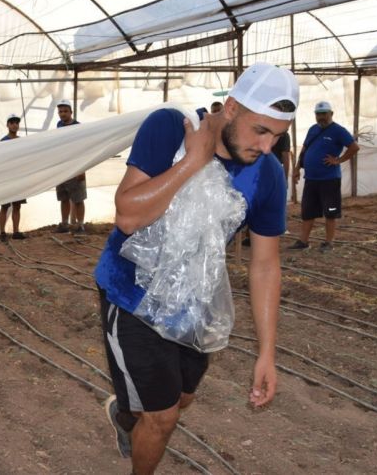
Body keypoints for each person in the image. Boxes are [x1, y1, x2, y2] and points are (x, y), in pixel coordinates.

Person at [95, 62, 297, 474]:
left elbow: (265, 264)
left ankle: (127, 416)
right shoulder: (171, 128)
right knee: (164, 415)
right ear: (234, 107)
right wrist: (193, 161)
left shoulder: (269, 175)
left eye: (278, 136)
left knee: (181, 399)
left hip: (193, 301)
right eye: (261, 130)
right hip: (131, 293)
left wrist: (266, 354)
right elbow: (128, 217)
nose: (266, 145)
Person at [290, 101, 359, 251]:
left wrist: (338, 160)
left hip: (329, 179)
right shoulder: (313, 129)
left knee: (330, 212)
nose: (321, 117)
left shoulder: (338, 131)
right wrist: (297, 168)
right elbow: (304, 150)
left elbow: (354, 147)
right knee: (308, 211)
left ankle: (329, 243)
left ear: (331, 114)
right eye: (318, 114)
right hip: (311, 179)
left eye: (324, 114)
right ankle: (303, 241)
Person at [53, 99, 87, 233]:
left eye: (65, 111)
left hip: (75, 167)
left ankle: (80, 225)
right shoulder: (59, 125)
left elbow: (84, 148)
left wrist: (82, 169)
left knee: (78, 198)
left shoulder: (78, 127)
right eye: (60, 111)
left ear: (71, 112)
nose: (63, 114)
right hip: (62, 168)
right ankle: (65, 223)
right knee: (64, 198)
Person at [0, 114, 27, 242]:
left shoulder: (22, 141)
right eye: (12, 122)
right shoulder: (3, 142)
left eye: (16, 122)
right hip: (6, 178)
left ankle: (15, 231)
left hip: (19, 178)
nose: (15, 125)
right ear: (8, 125)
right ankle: (3, 232)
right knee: (4, 206)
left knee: (17, 206)